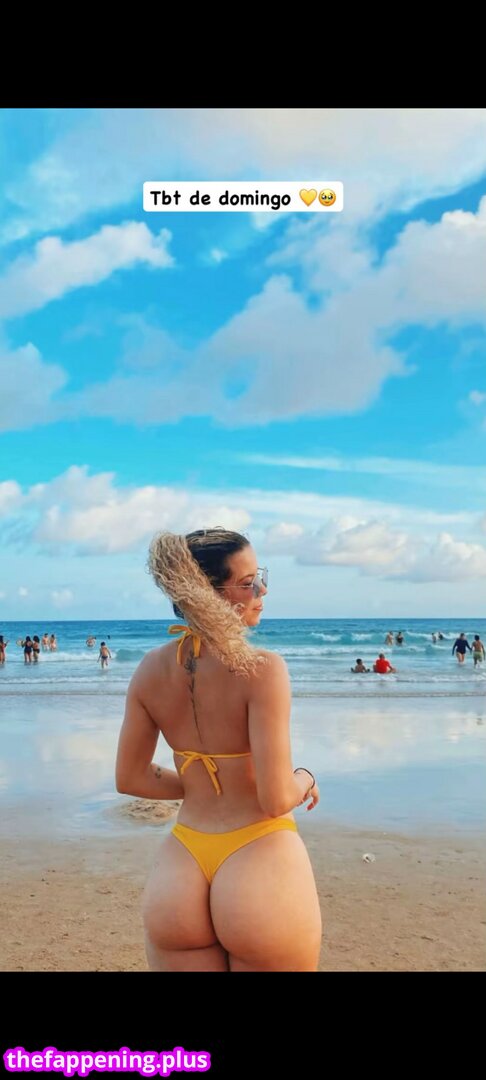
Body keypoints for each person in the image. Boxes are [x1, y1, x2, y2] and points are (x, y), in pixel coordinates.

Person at [115, 527, 322, 972]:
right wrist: (305, 778)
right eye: (248, 582)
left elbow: (130, 778)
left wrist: (196, 785)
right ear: (210, 594)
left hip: (179, 870)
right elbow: (275, 798)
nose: (262, 590)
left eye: (260, 577)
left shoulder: (149, 669)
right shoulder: (262, 669)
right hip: (258, 859)